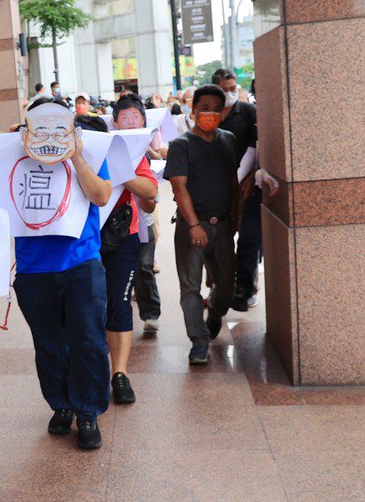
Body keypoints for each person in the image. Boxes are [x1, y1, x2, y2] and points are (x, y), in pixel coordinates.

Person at [13, 99, 113, 450]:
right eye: (40, 126)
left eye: (57, 125)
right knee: (49, 342)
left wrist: (74, 155)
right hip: (32, 266)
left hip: (81, 261)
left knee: (87, 339)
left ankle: (88, 411)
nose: (48, 134)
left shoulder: (87, 152)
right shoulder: (14, 157)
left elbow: (101, 195)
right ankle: (61, 404)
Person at [165, 84, 240, 364]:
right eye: (204, 108)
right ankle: (198, 340)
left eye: (216, 109)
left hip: (222, 225)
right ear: (193, 110)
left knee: (226, 285)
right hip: (191, 227)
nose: (210, 114)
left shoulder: (228, 139)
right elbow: (179, 188)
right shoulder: (180, 145)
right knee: (190, 287)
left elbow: (232, 180)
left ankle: (216, 313)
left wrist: (236, 217)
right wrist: (194, 225)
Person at [105, 96, 160, 403]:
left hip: (123, 236)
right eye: (123, 118)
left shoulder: (135, 154)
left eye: (134, 118)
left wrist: (124, 173)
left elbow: (150, 191)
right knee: (91, 305)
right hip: (86, 239)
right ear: (114, 122)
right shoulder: (92, 145)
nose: (128, 123)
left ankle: (120, 373)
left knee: (120, 302)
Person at [212, 67, 261, 312]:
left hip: (246, 185)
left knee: (249, 239)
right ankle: (218, 285)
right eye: (225, 89)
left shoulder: (248, 112)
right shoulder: (209, 114)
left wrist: (250, 175)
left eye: (233, 88)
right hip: (217, 186)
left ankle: (244, 288)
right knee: (219, 238)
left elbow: (258, 146)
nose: (230, 93)